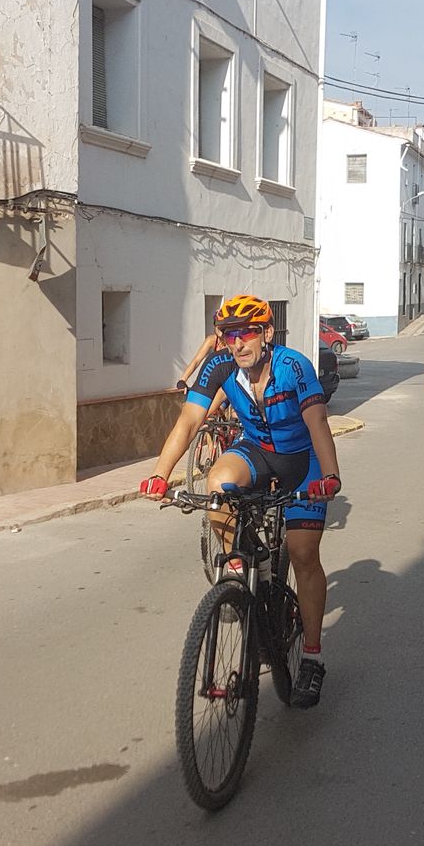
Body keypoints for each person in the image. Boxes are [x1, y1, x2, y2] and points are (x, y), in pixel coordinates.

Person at [141, 295, 341, 708]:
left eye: (246, 332)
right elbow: (190, 420)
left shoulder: (293, 367)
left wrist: (330, 475)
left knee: (303, 554)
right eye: (229, 334)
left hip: (302, 461)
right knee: (219, 482)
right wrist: (160, 474)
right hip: (257, 452)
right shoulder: (220, 366)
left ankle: (311, 657)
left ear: (266, 333)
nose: (237, 342)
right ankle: (242, 565)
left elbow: (318, 421)